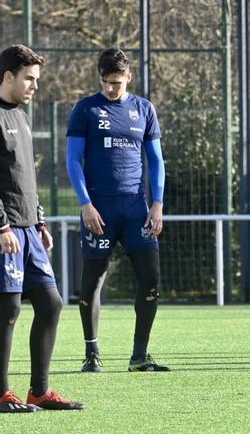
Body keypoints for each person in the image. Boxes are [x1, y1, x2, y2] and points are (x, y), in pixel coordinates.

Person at [66, 48, 169, 372]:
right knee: (92, 282)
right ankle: (91, 354)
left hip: (136, 209)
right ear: (100, 78)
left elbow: (155, 160)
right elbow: (73, 160)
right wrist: (85, 204)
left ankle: (139, 355)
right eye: (108, 82)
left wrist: (157, 204)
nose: (113, 88)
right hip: (100, 211)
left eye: (119, 82)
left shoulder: (143, 109)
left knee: (151, 279)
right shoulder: (86, 109)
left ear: (129, 77)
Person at [0, 44, 84, 412]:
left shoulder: (22, 115)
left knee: (51, 303)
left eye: (36, 79)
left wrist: (40, 222)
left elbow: (25, 176)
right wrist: (2, 225)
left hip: (29, 229)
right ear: (8, 77)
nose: (35, 85)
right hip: (5, 230)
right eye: (28, 78)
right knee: (8, 310)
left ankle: (39, 391)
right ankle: (1, 393)